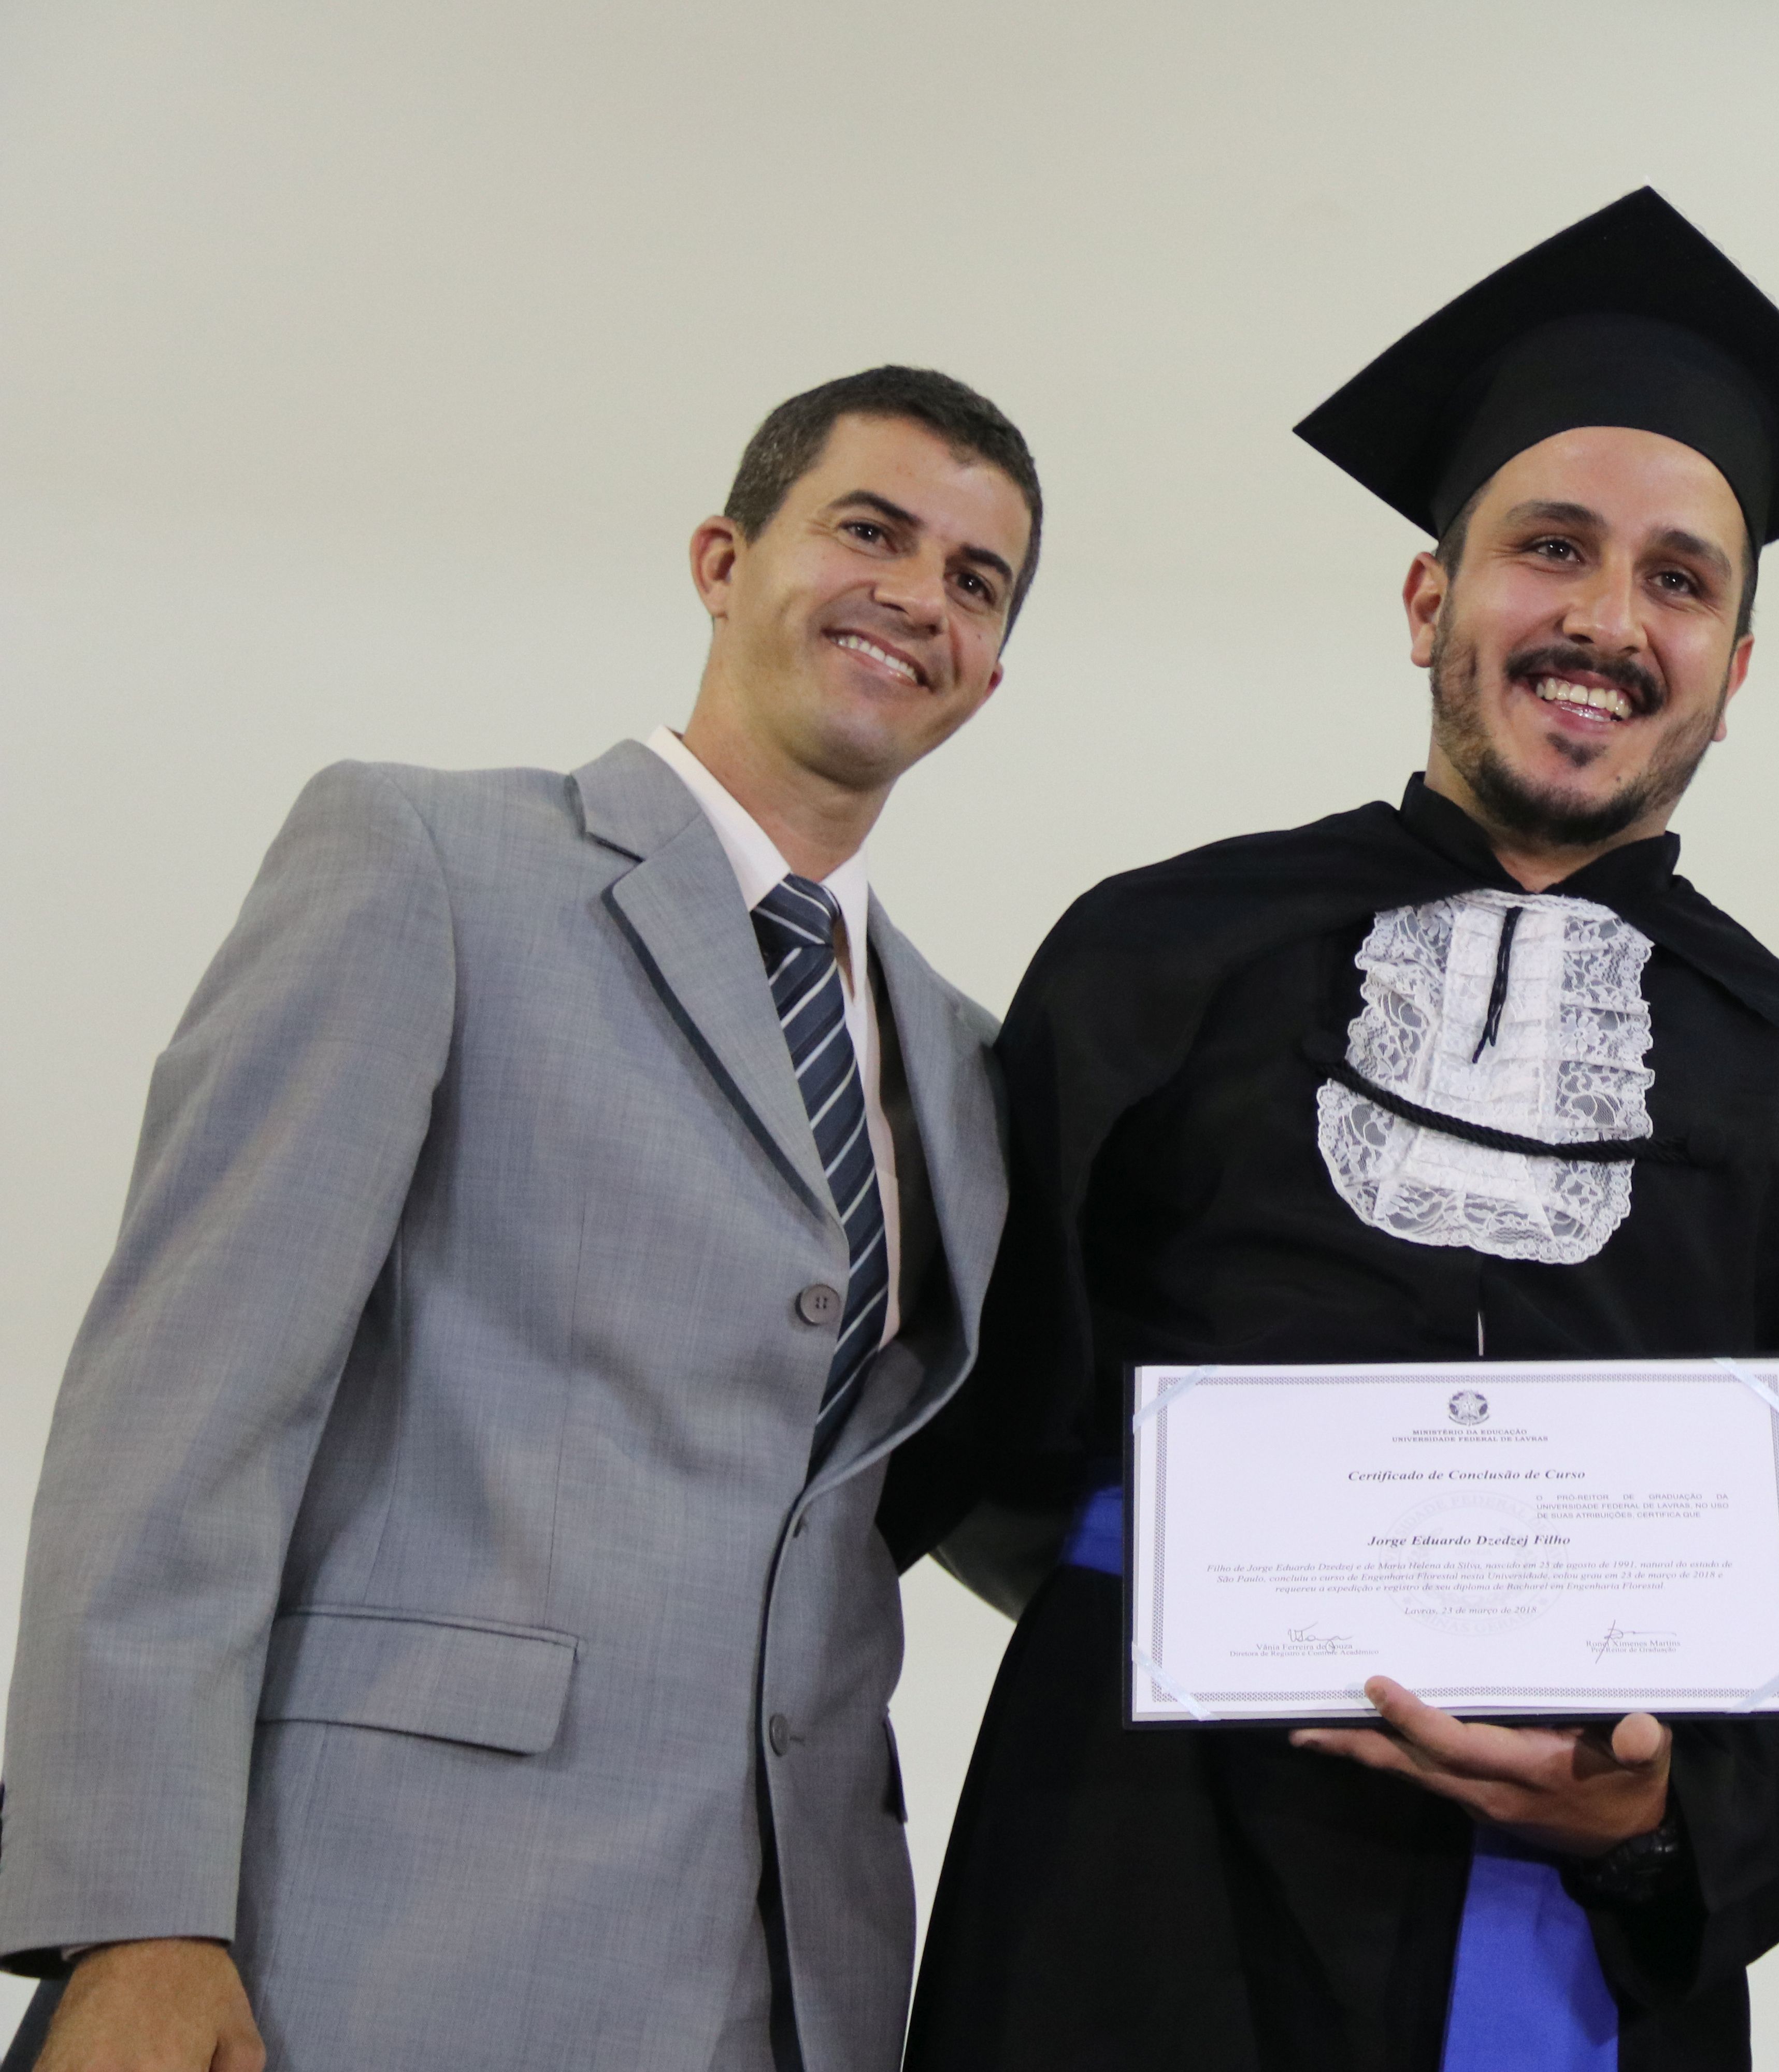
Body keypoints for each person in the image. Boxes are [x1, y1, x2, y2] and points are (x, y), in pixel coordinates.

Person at [881, 189, 1779, 2071]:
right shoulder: (1155, 964)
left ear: (1732, 670)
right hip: (1134, 1887)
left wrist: (1661, 1816)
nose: (1607, 619)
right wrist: (1204, 1579)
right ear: (1428, 601)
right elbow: (975, 1417)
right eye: (1551, 549)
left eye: (1681, 580)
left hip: (1563, 1951)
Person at [0, 366, 1037, 2072]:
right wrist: (135, 1917)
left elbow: (975, 1492)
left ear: (988, 676)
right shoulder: (426, 861)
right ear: (722, 560)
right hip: (375, 1938)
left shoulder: (971, 1065)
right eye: (871, 531)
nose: (919, 595)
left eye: (975, 582)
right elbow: (181, 1421)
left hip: (792, 1976)